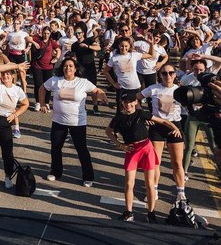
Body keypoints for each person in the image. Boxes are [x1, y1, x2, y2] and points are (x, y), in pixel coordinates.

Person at [106, 91, 181, 223]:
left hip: (146, 148)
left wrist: (175, 127)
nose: (128, 104)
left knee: (150, 184)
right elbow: (108, 131)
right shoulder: (118, 118)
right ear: (122, 103)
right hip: (131, 150)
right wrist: (120, 145)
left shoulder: (141, 114)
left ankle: (151, 213)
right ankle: (129, 212)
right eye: (125, 102)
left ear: (135, 102)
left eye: (130, 101)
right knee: (129, 183)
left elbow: (162, 121)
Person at [39, 57, 108, 187]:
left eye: (71, 66)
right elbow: (43, 88)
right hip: (59, 121)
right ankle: (55, 171)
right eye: (65, 66)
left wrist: (102, 94)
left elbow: (96, 90)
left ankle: (88, 176)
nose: (68, 68)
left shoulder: (83, 82)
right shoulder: (56, 80)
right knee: (56, 147)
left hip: (78, 122)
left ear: (75, 69)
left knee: (81, 149)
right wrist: (43, 103)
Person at [137, 64, 187, 202]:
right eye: (164, 73)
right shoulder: (154, 89)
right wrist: (145, 117)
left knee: (177, 163)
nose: (168, 76)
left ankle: (180, 192)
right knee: (155, 162)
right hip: (157, 126)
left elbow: (191, 107)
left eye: (171, 73)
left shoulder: (180, 90)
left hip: (174, 127)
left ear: (175, 75)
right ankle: (154, 189)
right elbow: (136, 98)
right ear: (160, 75)